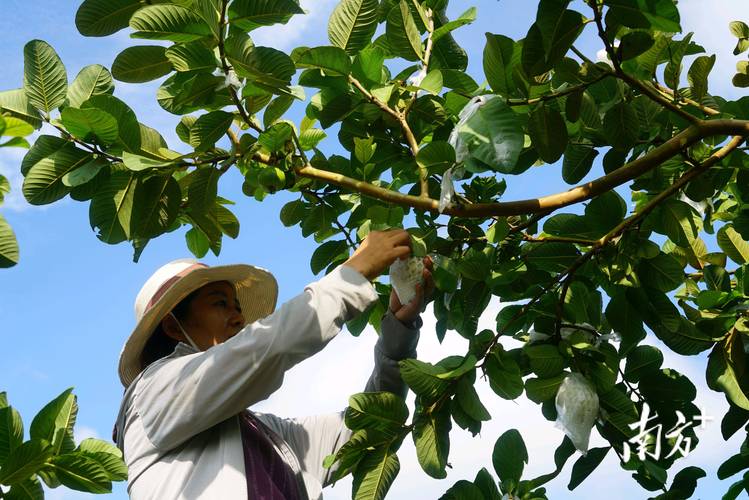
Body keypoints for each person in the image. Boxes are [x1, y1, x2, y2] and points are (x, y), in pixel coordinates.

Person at [113, 229, 434, 499]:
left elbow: (371, 425)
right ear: (172, 327)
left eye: (236, 305)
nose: (238, 316)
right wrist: (352, 275)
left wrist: (399, 328)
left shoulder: (268, 436)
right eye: (219, 304)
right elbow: (262, 349)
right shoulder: (153, 396)